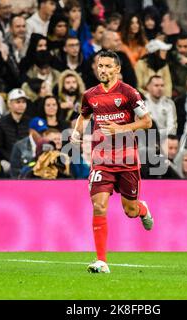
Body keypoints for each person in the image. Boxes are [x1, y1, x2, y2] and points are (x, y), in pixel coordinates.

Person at [70, 50, 154, 273]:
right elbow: (84, 115)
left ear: (117, 69)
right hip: (101, 160)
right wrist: (77, 133)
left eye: (108, 66)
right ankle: (101, 261)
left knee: (130, 210)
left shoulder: (129, 92)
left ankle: (142, 209)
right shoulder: (90, 95)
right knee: (99, 205)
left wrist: (122, 128)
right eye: (100, 66)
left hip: (127, 160)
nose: (103, 70)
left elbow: (147, 122)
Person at [0, 88, 31, 172]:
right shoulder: (0, 124)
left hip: (28, 161)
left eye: (24, 102)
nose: (21, 105)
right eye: (18, 102)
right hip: (7, 161)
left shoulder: (30, 122)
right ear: (9, 104)